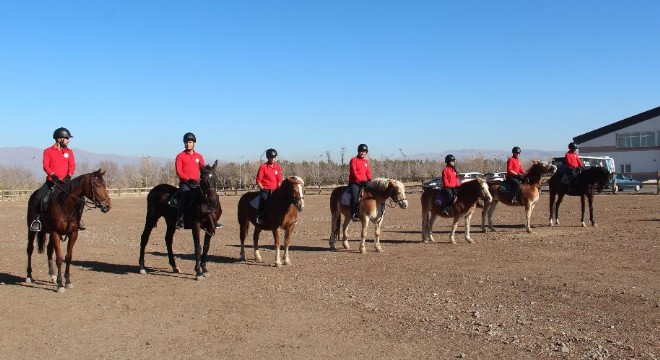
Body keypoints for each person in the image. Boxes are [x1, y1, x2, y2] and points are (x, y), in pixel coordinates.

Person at [29, 127, 78, 232]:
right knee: (38, 197)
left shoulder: (69, 152)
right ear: (59, 139)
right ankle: (37, 221)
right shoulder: (48, 151)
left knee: (79, 199)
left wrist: (69, 175)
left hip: (65, 183)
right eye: (67, 138)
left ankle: (78, 220)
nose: (68, 141)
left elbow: (72, 165)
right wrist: (53, 175)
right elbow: (45, 165)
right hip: (51, 182)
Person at [174, 132, 205, 230]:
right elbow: (178, 171)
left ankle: (211, 219)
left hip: (197, 183)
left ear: (194, 143)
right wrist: (187, 179)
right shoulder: (180, 156)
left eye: (190, 142)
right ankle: (180, 219)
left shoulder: (199, 156)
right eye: (186, 142)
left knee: (208, 197)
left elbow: (203, 169)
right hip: (185, 183)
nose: (188, 144)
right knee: (186, 196)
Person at [255, 148, 283, 224]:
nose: (273, 159)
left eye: (274, 157)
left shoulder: (277, 167)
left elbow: (279, 180)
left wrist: (279, 188)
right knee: (264, 200)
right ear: (268, 157)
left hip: (275, 189)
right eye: (272, 157)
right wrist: (263, 189)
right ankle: (260, 216)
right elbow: (258, 180)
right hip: (266, 189)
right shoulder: (263, 167)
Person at [348, 144, 372, 221]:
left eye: (364, 151)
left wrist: (369, 180)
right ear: (358, 151)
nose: (363, 153)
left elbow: (368, 172)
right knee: (355, 198)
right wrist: (360, 181)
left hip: (365, 182)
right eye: (361, 151)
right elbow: (353, 172)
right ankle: (354, 214)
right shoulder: (354, 160)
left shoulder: (366, 162)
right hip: (355, 182)